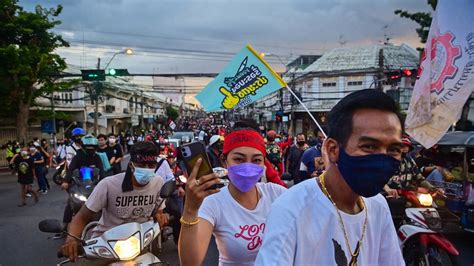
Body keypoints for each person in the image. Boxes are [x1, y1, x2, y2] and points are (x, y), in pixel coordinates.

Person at [256, 89, 404, 265]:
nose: (382, 159)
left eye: (393, 149)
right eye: (369, 147)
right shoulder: (290, 210)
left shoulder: (378, 206)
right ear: (333, 150)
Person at [178, 127, 287, 265]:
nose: (248, 167)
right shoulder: (213, 202)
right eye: (239, 159)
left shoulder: (276, 194)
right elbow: (190, 263)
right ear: (224, 161)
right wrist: (190, 209)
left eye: (256, 160)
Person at [60, 141, 169, 262]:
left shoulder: (158, 182)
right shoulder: (108, 184)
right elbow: (81, 216)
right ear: (131, 165)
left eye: (151, 165)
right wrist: (71, 241)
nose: (147, 169)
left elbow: (158, 211)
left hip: (138, 244)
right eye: (142, 165)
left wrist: (161, 216)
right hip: (105, 246)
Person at [61, 135, 105, 230]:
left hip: (94, 184)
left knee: (105, 203)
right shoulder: (78, 156)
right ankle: (64, 225)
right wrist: (65, 181)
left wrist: (106, 182)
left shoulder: (97, 157)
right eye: (88, 147)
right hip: (79, 184)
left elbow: (102, 172)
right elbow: (71, 169)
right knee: (70, 202)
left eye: (92, 147)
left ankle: (108, 224)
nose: (90, 149)